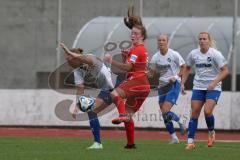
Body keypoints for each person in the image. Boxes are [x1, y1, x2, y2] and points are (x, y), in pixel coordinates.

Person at [104, 24, 150, 149]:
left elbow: (128, 68)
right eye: (132, 33)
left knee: (114, 93)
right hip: (145, 86)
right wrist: (126, 57)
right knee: (128, 115)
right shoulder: (141, 49)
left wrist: (110, 60)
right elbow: (131, 68)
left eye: (136, 33)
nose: (133, 35)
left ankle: (122, 115)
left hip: (137, 81)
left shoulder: (136, 49)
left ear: (142, 36)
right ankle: (131, 144)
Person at [182, 32, 229, 150]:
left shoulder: (215, 54)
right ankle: (190, 142)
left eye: (204, 39)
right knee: (194, 113)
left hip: (214, 87)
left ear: (209, 40)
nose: (202, 41)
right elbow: (187, 67)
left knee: (207, 111)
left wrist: (214, 82)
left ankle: (211, 132)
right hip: (198, 86)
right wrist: (182, 82)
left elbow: (225, 71)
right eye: (200, 39)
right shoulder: (193, 54)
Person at [149, 34, 187, 144]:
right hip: (162, 86)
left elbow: (184, 66)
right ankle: (174, 138)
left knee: (165, 110)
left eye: (163, 40)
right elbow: (153, 72)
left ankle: (180, 122)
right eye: (159, 40)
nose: (161, 42)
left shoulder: (174, 54)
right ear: (157, 42)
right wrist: (149, 72)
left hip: (173, 85)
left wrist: (176, 77)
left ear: (167, 42)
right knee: (164, 113)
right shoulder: (155, 57)